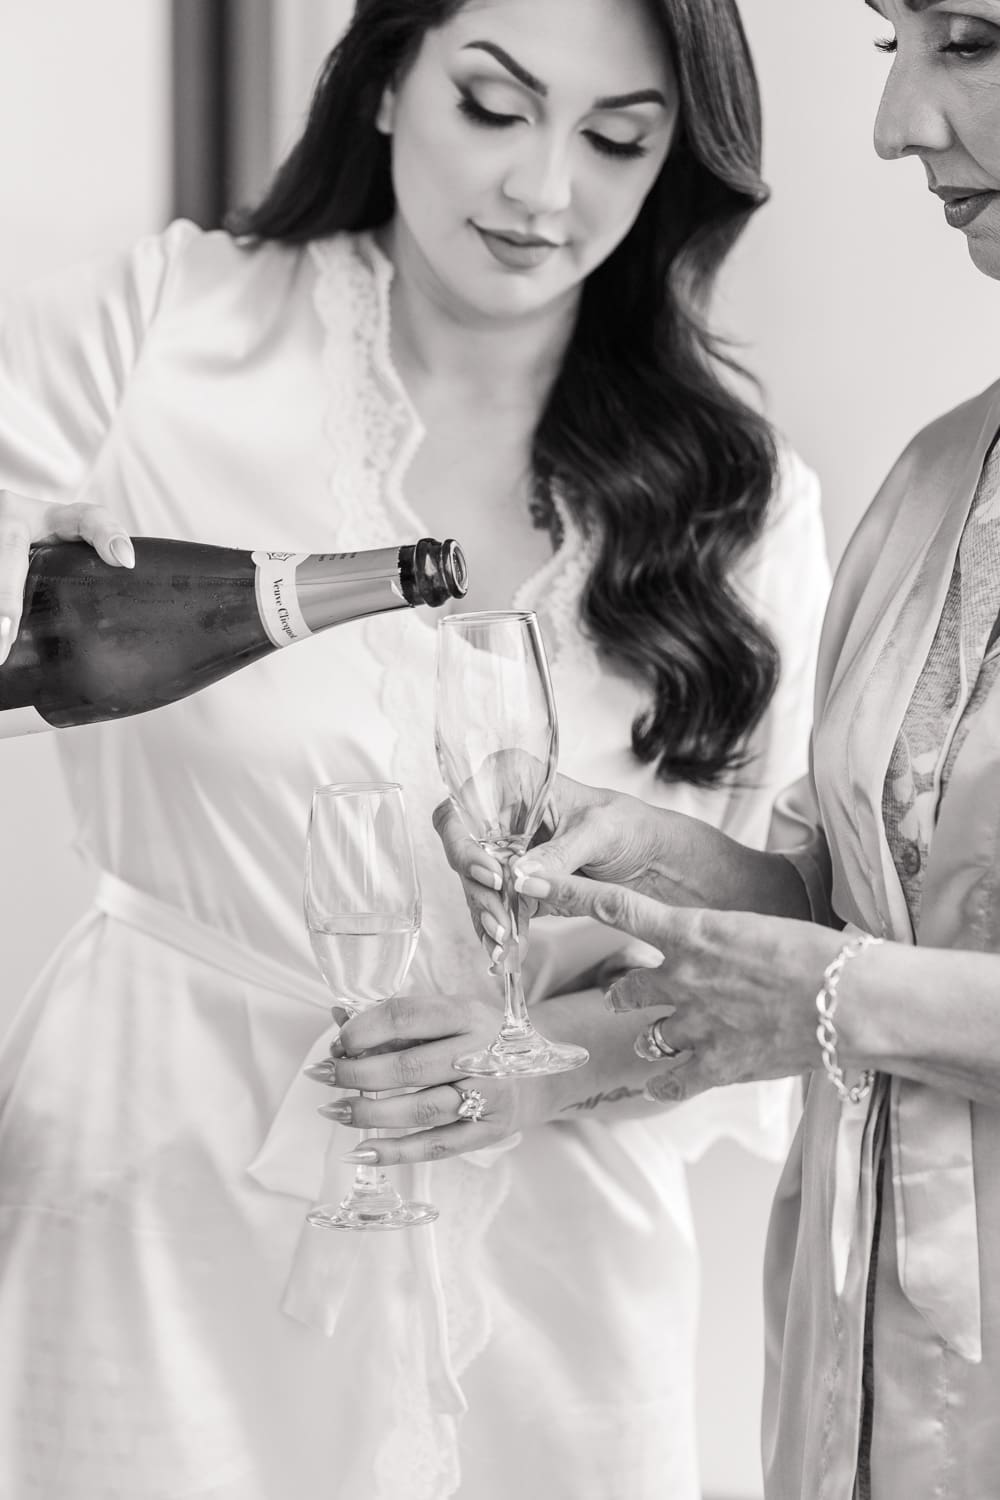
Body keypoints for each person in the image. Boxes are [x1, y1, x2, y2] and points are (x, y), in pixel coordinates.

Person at [0, 0, 827, 1496]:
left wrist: (552, 1068)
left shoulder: (741, 501)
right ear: (385, 82)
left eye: (617, 139)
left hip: (558, 1258)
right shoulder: (158, 332)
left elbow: (797, 933)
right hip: (167, 1190)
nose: (543, 190)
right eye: (493, 108)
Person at [438, 2, 1000, 1494]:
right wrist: (662, 856)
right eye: (895, 47)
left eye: (974, 40)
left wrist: (840, 1004)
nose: (897, 127)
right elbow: (866, 897)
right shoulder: (941, 473)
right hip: (869, 1380)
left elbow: (852, 981)